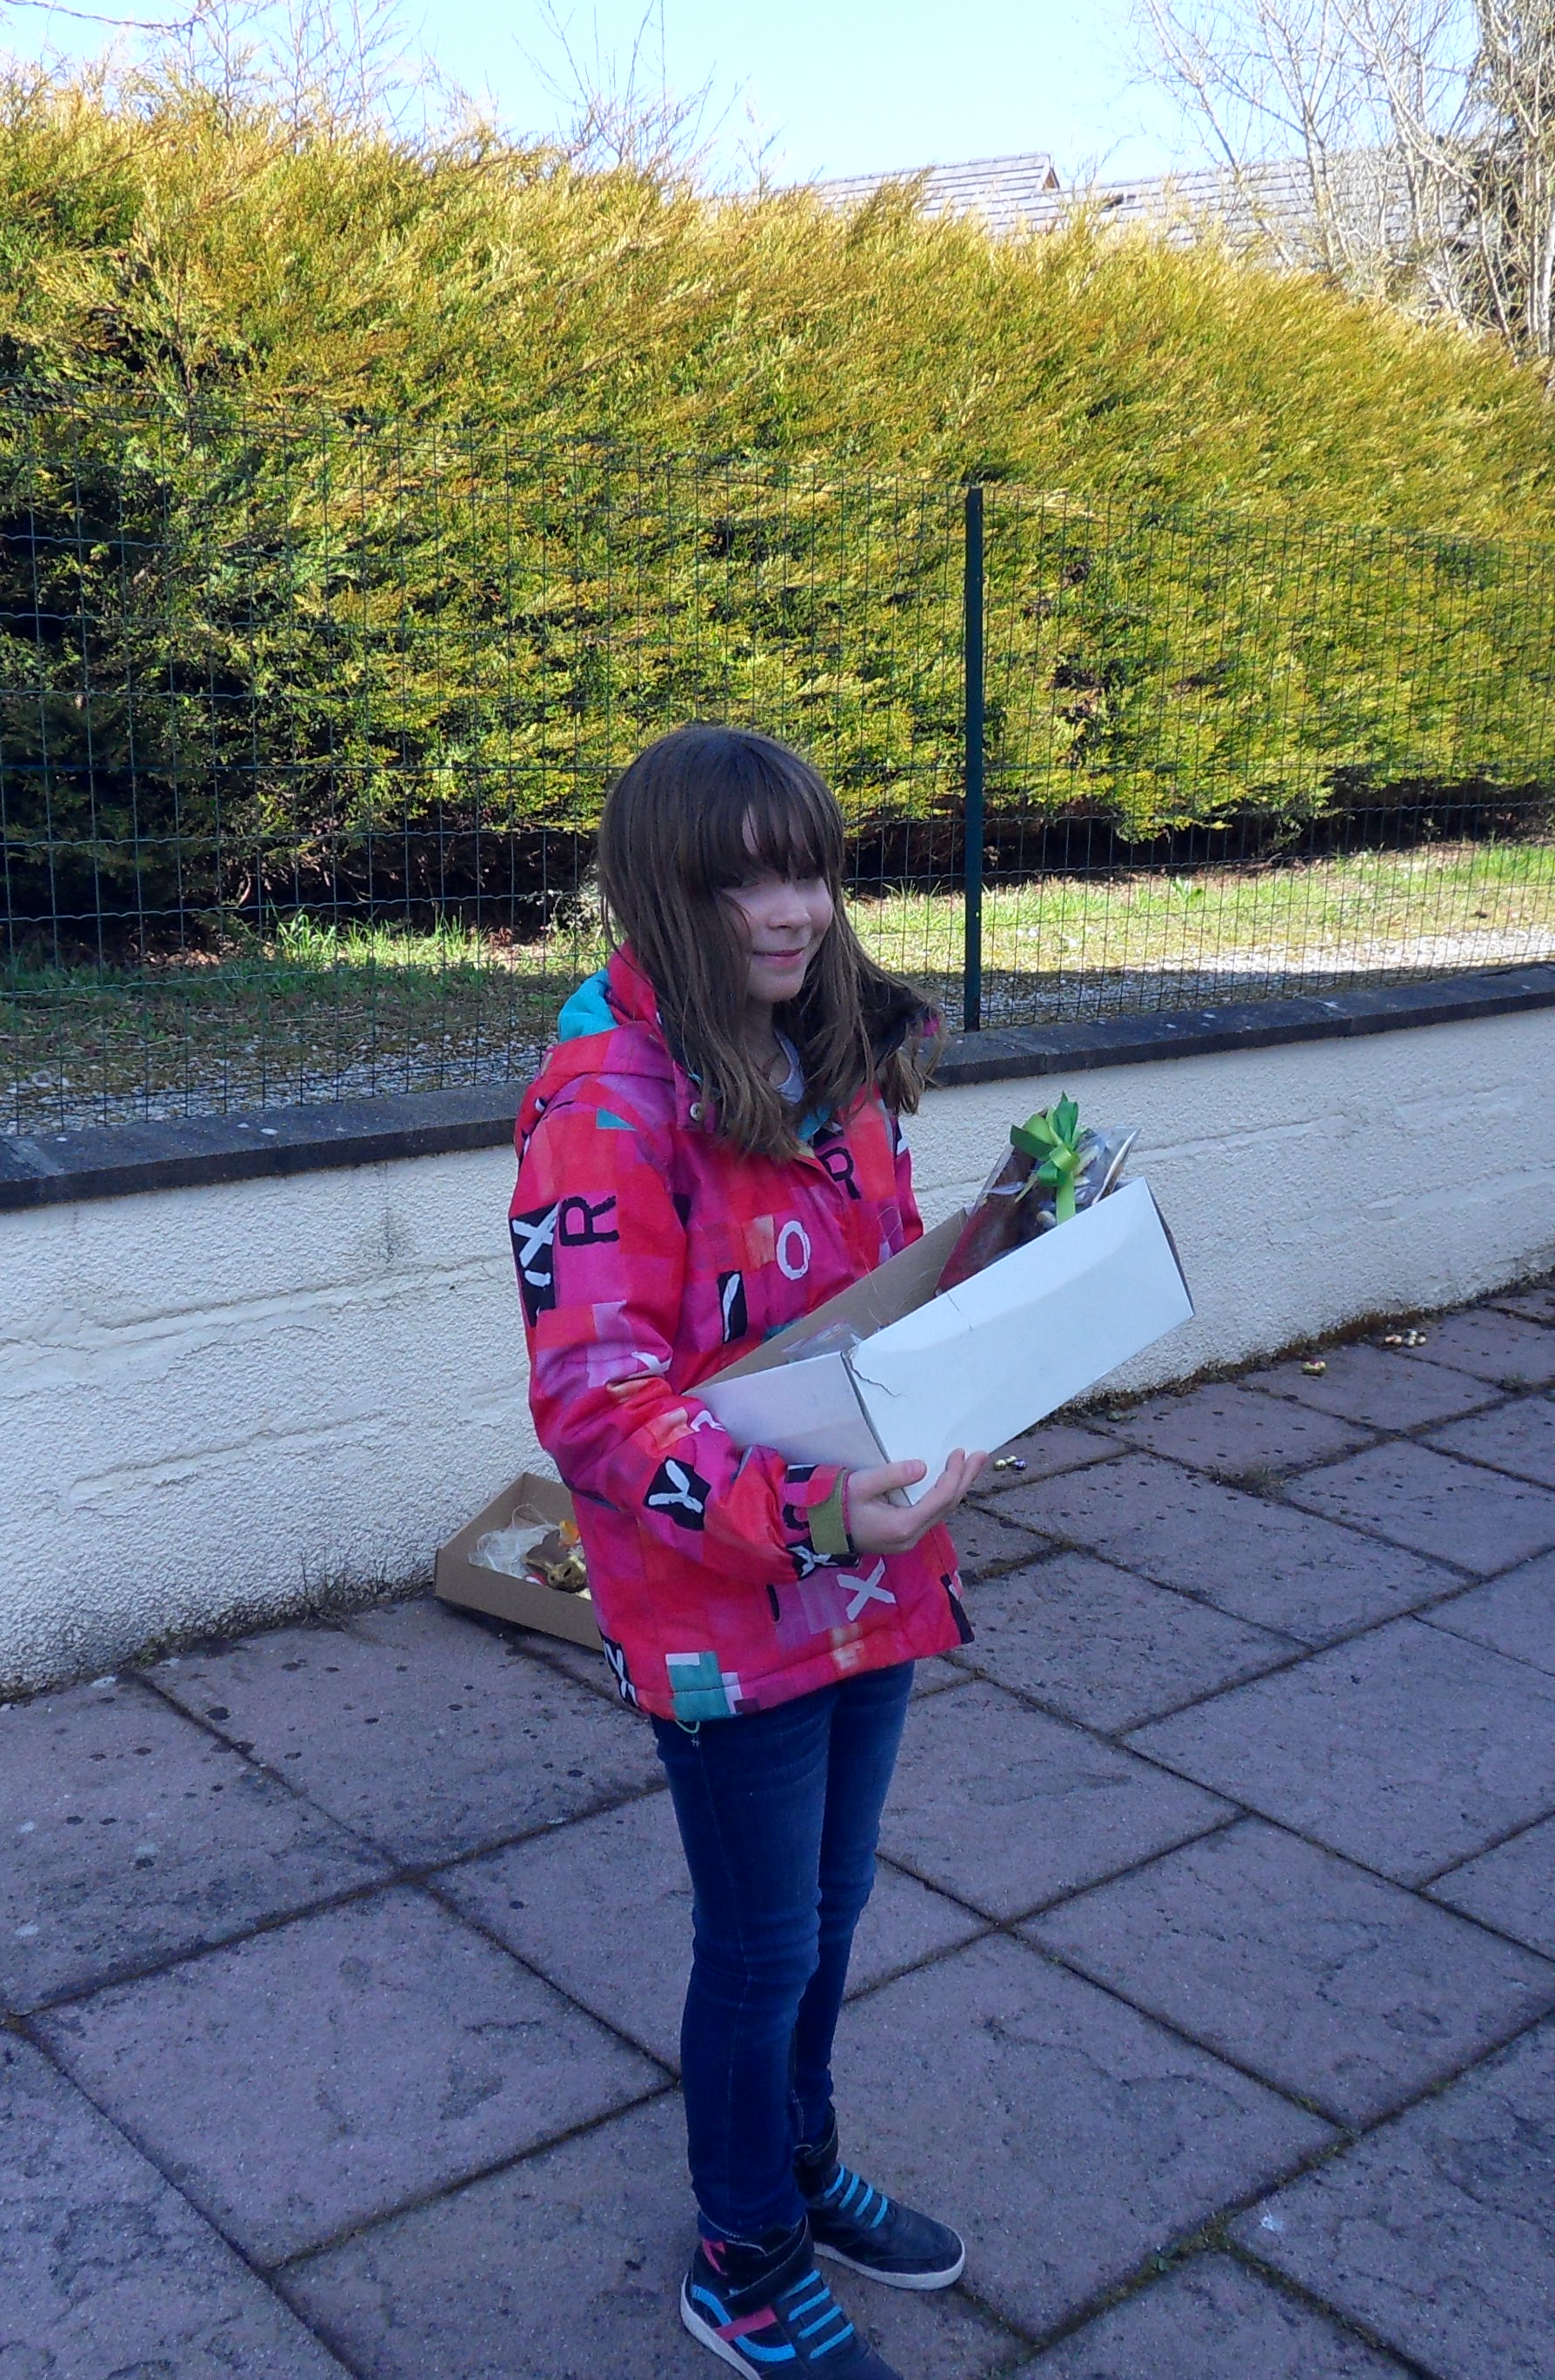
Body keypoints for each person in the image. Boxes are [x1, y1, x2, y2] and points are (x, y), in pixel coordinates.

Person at [511, 723, 984, 2378]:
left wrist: (1007, 1285)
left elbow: (873, 1296)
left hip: (872, 1565)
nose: (793, 911)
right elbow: (595, 1406)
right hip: (722, 1604)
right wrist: (808, 1513)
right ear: (664, 893)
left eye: (812, 872)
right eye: (746, 883)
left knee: (832, 1910)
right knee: (763, 1942)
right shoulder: (602, 1107)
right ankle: (742, 2253)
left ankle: (796, 2163)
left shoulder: (829, 1048)